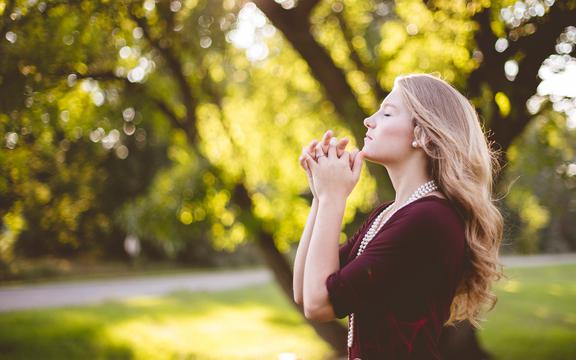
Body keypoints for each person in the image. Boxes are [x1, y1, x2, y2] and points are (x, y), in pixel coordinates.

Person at [292, 73, 505, 359]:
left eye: (387, 112)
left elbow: (319, 305)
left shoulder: (429, 219)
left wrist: (334, 197)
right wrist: (321, 195)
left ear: (422, 134)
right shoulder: (390, 214)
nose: (369, 119)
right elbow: (304, 292)